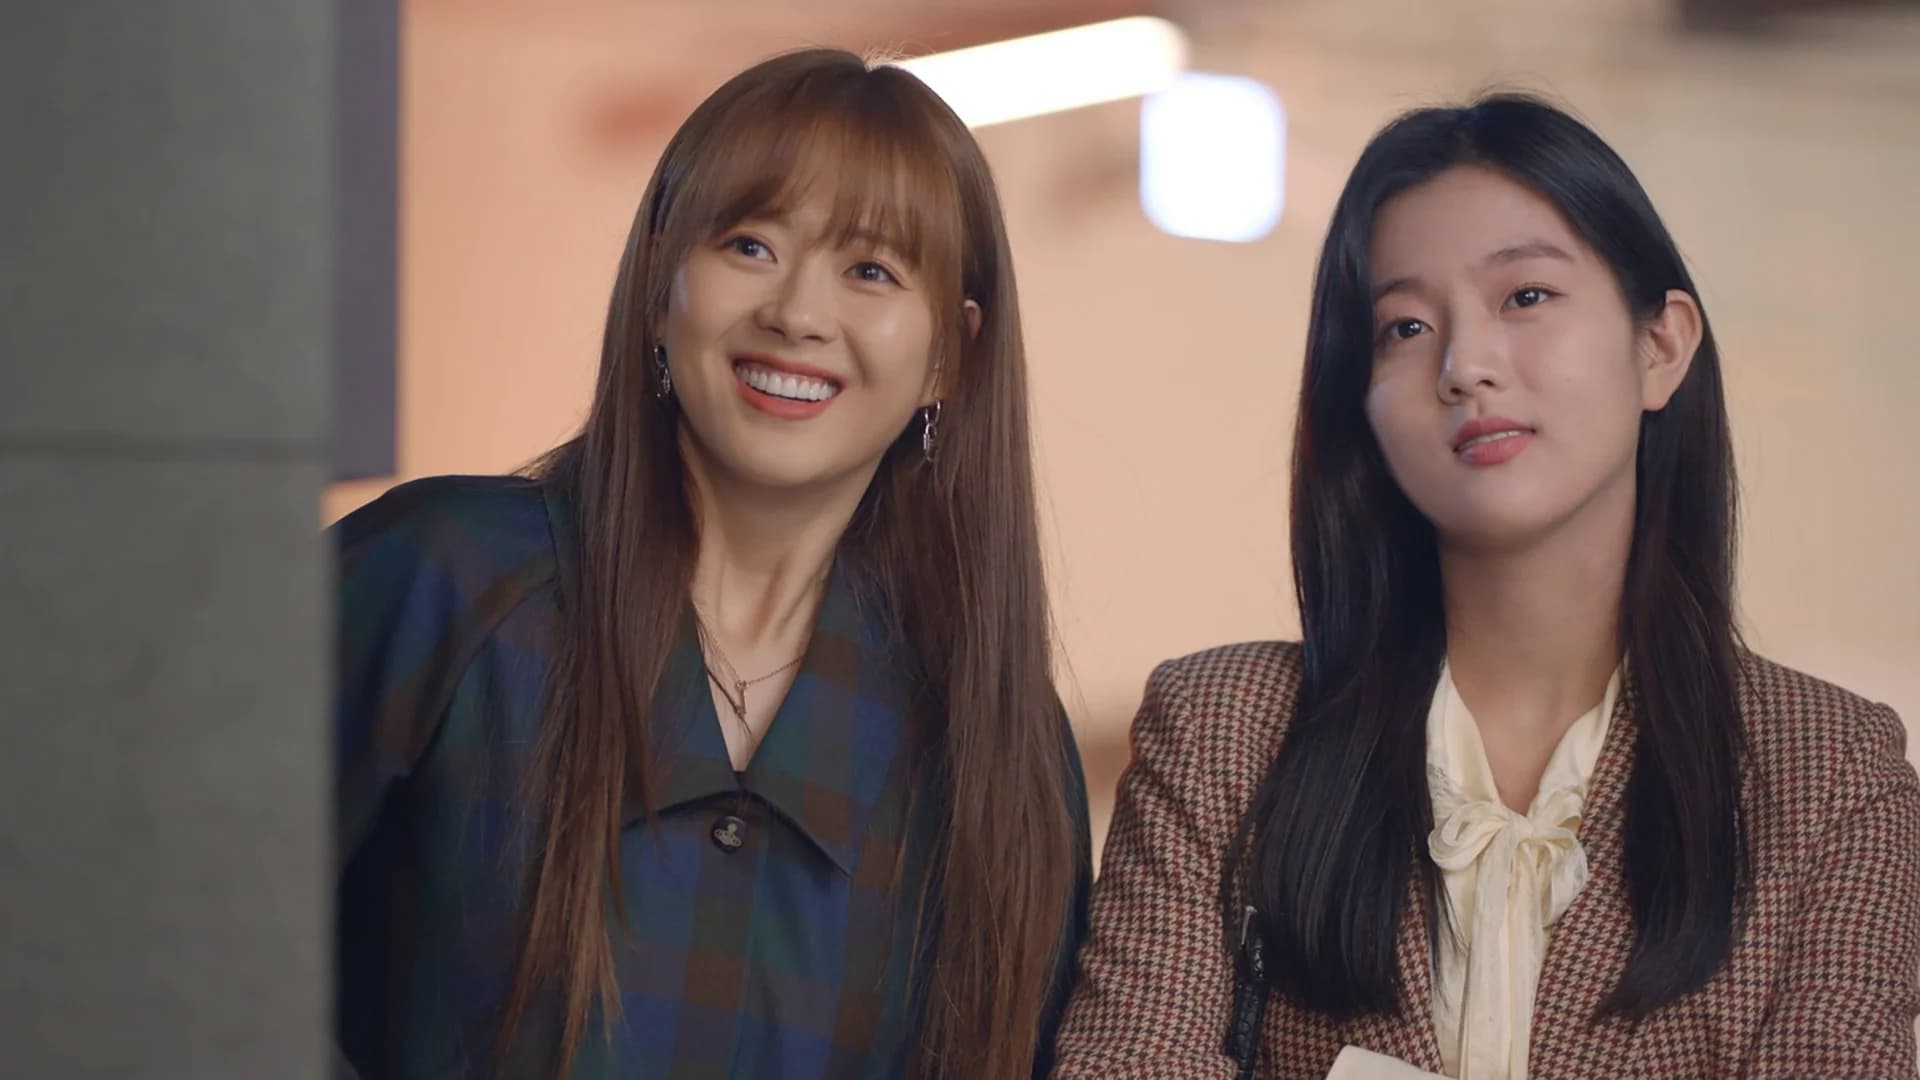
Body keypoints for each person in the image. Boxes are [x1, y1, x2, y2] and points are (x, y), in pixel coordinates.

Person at [1052, 94, 1920, 1079]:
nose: (1465, 366)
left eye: (1526, 296)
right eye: (1406, 327)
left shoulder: (1830, 779)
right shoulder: (1224, 733)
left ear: (1661, 345)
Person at [331, 48, 1089, 1080]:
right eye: (750, 244)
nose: (797, 314)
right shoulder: (443, 580)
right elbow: (170, 921)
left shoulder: (990, 737)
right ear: (660, 289)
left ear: (949, 357)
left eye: (871, 271)